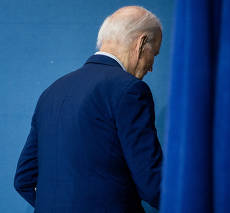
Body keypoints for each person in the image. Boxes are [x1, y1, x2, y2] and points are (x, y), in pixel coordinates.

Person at [14, 6, 163, 213]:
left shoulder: (51, 92)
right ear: (141, 43)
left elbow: (24, 180)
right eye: (154, 53)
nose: (152, 66)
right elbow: (153, 183)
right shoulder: (130, 90)